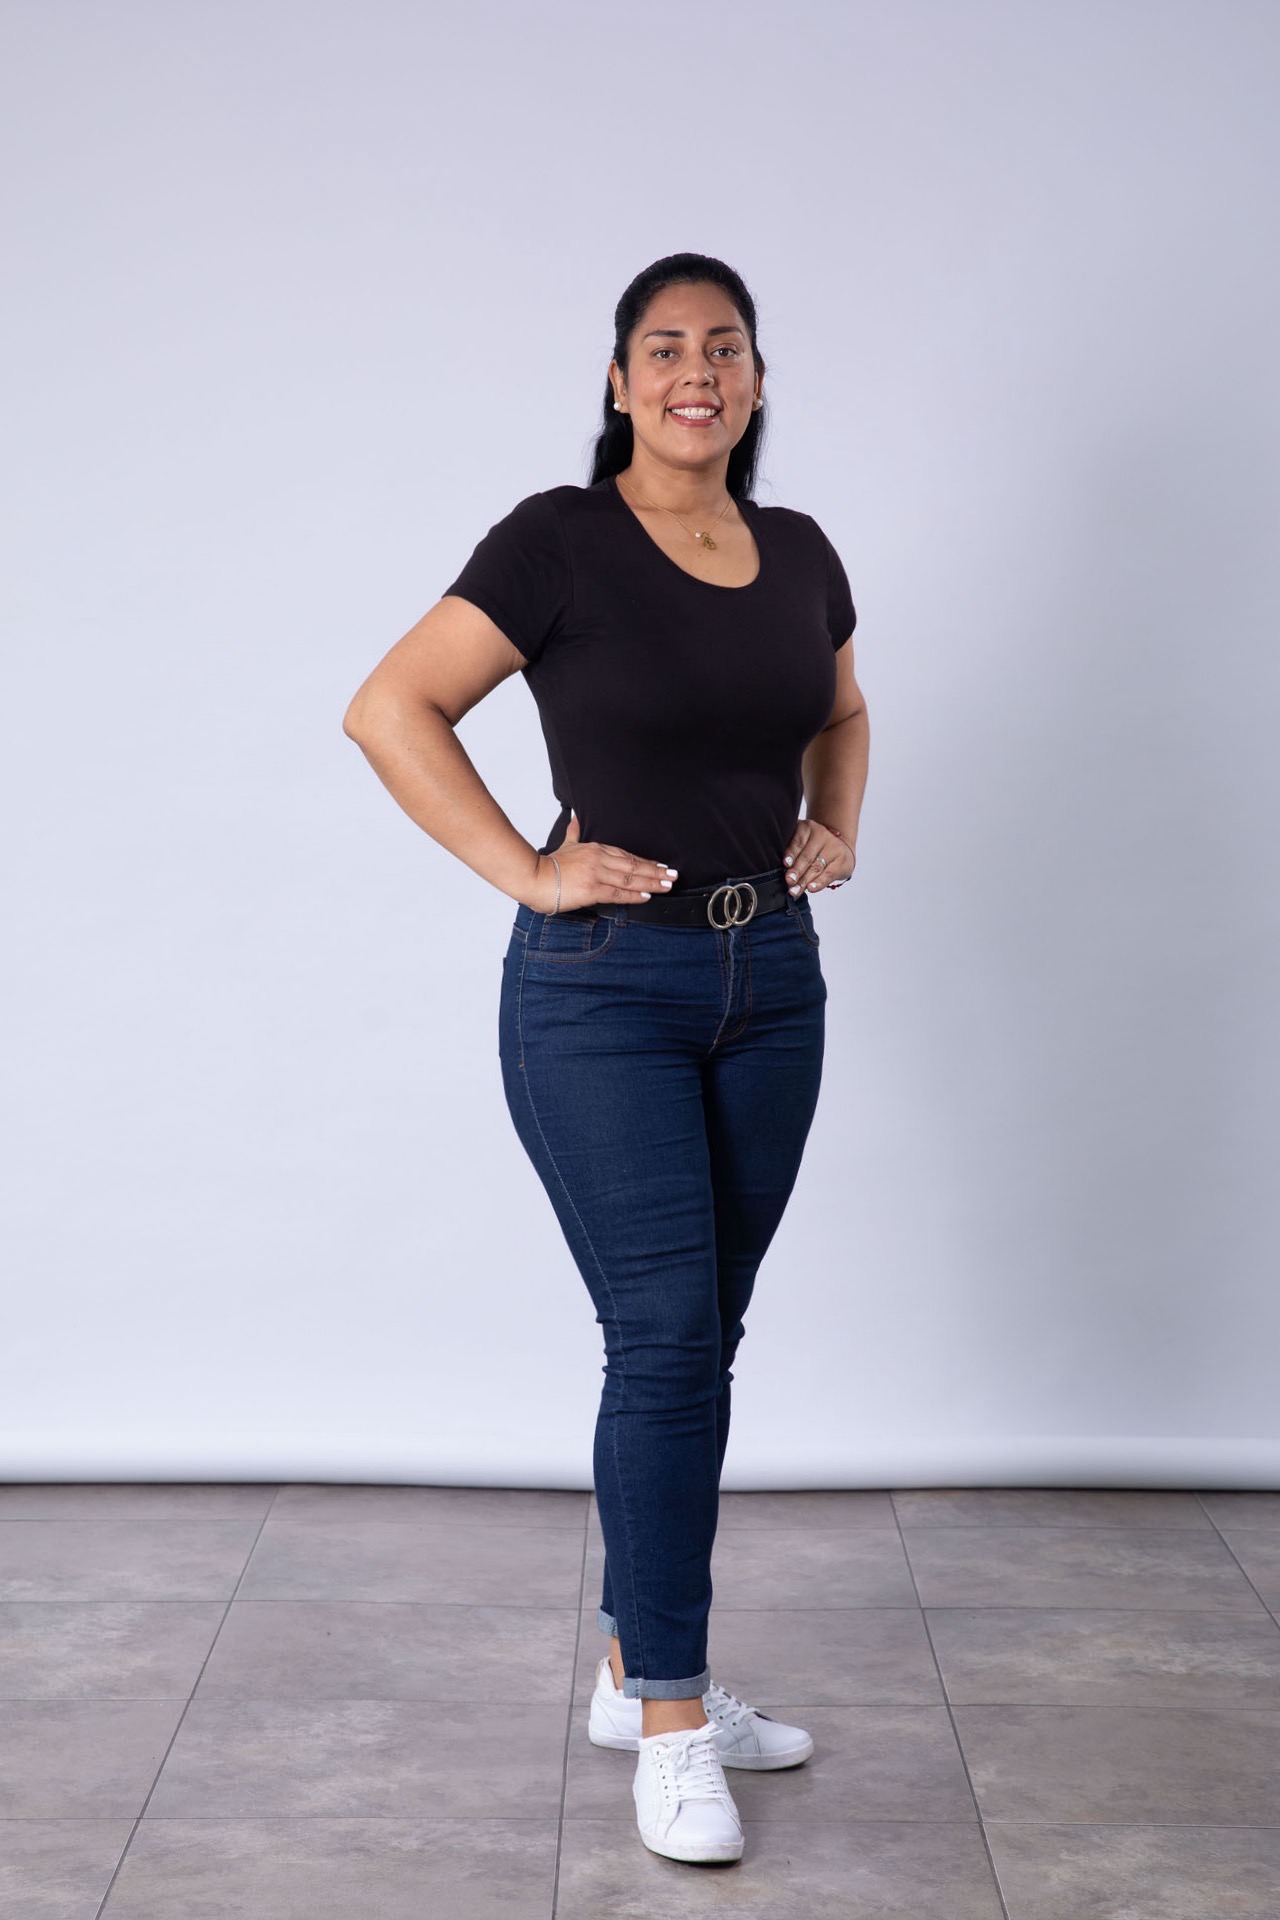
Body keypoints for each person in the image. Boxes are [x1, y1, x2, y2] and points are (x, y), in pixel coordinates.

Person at [342, 251, 870, 1866]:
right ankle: (672, 1730)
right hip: (602, 990)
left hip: (771, 983)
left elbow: (841, 711)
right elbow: (391, 707)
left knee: (703, 1343)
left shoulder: (800, 551)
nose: (696, 371)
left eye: (726, 347)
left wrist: (835, 823)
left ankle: (642, 1666)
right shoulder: (559, 540)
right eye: (665, 348)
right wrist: (527, 868)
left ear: (757, 381)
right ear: (621, 382)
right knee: (663, 1342)